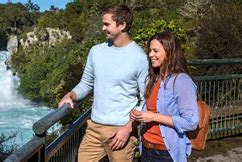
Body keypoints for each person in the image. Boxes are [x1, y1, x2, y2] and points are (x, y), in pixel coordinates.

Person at [58, 4, 149, 161]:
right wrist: (70, 95)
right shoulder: (96, 51)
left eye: (107, 24)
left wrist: (128, 128)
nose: (102, 28)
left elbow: (146, 98)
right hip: (93, 128)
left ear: (122, 25)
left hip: (121, 131)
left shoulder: (139, 57)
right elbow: (86, 84)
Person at [130, 31, 199, 162]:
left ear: (169, 52)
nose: (150, 55)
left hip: (166, 153)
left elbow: (191, 122)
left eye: (155, 51)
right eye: (150, 51)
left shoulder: (181, 80)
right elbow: (154, 110)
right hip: (145, 148)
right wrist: (139, 115)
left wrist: (153, 117)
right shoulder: (155, 79)